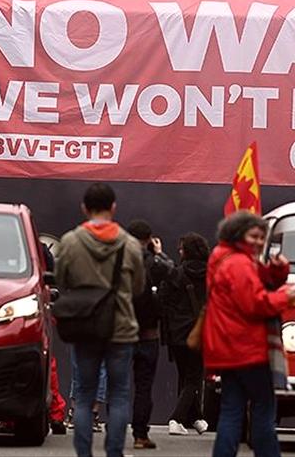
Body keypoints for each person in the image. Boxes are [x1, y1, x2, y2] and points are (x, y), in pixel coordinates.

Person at [56, 183, 146, 457]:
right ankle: (114, 452)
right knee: (118, 395)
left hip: (85, 326)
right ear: (113, 207)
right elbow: (139, 286)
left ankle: (84, 454)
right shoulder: (129, 244)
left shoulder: (71, 242)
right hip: (121, 328)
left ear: (84, 208)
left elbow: (62, 281)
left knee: (84, 395)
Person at [204, 211, 295, 457]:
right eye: (253, 236)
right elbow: (256, 303)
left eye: (261, 237)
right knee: (264, 412)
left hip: (227, 349)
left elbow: (258, 282)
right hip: (248, 349)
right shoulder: (240, 264)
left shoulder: (224, 258)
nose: (258, 242)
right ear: (238, 234)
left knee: (231, 411)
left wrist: (278, 271)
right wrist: (284, 297)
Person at [127, 219, 174, 450]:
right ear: (148, 240)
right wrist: (159, 253)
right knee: (144, 386)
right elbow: (172, 272)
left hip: (122, 333)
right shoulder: (155, 263)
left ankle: (115, 435)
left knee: (119, 386)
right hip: (148, 334)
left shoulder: (120, 261)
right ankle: (140, 435)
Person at [161, 233, 211, 436]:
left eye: (182, 248)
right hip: (200, 331)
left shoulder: (176, 274)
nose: (179, 251)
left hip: (178, 333)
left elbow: (163, 300)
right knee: (194, 377)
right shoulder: (212, 274)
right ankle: (184, 418)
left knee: (185, 376)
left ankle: (188, 418)